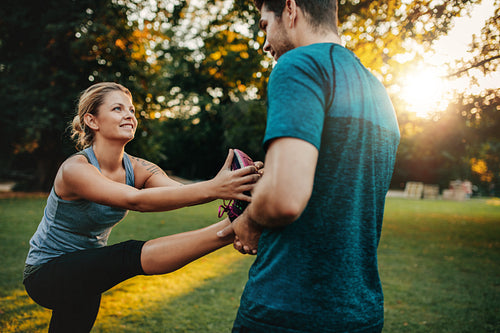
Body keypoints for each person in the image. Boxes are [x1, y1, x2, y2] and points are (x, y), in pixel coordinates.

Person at [217, 0, 400, 332]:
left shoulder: (298, 65)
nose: (265, 42)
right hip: (361, 313)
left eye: (264, 25)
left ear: (290, 9)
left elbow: (284, 199)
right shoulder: (378, 90)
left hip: (286, 308)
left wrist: (250, 221)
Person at [22, 82, 261, 332]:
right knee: (127, 255)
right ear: (92, 120)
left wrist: (240, 183)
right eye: (117, 108)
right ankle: (232, 228)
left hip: (88, 269)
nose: (129, 115)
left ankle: (235, 224)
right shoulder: (76, 169)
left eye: (132, 110)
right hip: (46, 272)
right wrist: (217, 188)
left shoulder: (137, 168)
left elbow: (179, 193)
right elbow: (135, 200)